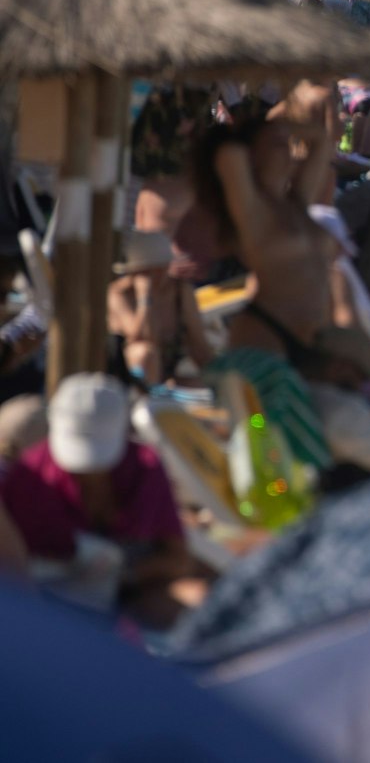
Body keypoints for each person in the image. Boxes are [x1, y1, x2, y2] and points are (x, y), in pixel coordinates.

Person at [1, 375, 201, 628]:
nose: (87, 474)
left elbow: (178, 559)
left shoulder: (146, 468)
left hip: (129, 593)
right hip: (44, 600)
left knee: (194, 602)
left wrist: (118, 576)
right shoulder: (28, 476)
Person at [106, 231, 212, 387]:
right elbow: (142, 337)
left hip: (169, 375)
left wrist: (219, 375)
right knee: (145, 353)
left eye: (162, 267)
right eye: (150, 271)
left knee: (217, 382)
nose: (160, 275)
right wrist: (145, 299)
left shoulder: (180, 291)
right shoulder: (119, 295)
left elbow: (199, 345)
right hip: (131, 378)